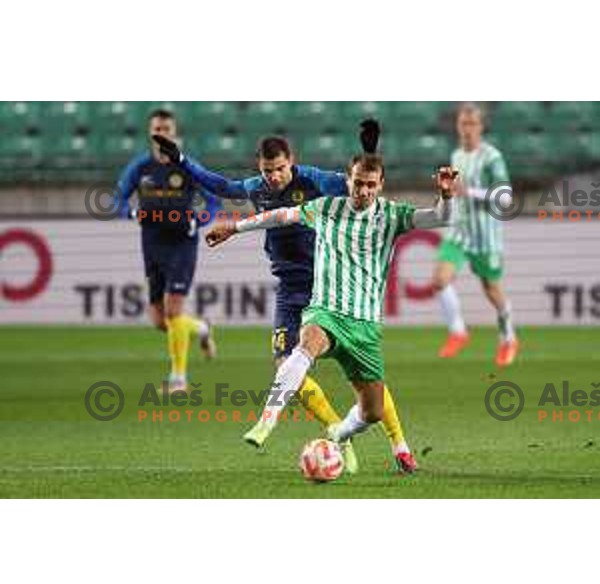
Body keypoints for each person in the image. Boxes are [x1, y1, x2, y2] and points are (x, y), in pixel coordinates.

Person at [152, 123, 414, 473]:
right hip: (291, 290)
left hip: (329, 285)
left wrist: (369, 150)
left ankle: (399, 444)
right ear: (259, 167)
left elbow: (358, 184)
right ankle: (338, 431)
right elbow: (220, 185)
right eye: (267, 171)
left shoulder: (314, 180)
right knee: (284, 364)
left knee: (368, 374)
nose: (274, 177)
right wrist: (182, 160)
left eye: (280, 169)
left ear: (293, 162)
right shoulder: (255, 188)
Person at [205, 154, 456, 474]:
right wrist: (235, 227)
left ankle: (340, 432)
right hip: (326, 311)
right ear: (347, 181)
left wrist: (446, 195)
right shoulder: (326, 208)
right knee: (303, 348)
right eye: (357, 183)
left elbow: (440, 218)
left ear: (380, 186)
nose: (362, 191)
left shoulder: (393, 215)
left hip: (365, 326)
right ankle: (266, 422)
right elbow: (281, 215)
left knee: (373, 411)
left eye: (370, 185)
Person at [113, 108, 220, 392]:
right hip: (152, 244)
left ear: (174, 134)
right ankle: (202, 328)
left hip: (182, 244)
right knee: (161, 321)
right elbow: (118, 199)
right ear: (151, 133)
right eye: (157, 129)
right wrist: (132, 214)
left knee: (174, 312)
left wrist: (200, 220)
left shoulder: (187, 167)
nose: (161, 134)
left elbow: (213, 202)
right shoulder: (140, 167)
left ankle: (178, 380)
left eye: (166, 129)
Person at [435, 104, 519, 367]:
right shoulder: (457, 155)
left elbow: (505, 197)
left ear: (481, 127)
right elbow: (457, 192)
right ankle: (458, 332)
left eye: (472, 124)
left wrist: (468, 191)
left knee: (492, 290)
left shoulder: (492, 157)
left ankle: (508, 338)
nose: (467, 129)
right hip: (459, 232)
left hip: (486, 237)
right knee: (440, 280)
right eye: (463, 124)